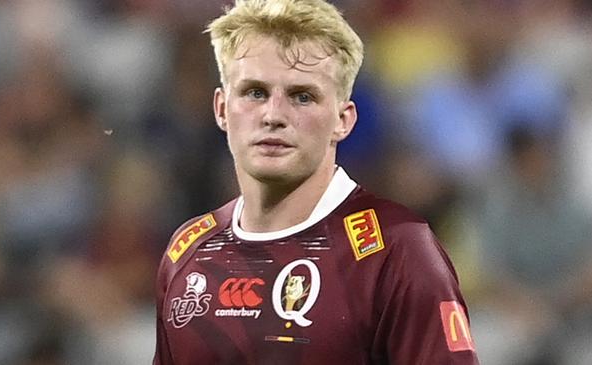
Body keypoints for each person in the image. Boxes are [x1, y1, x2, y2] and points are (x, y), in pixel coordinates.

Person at [153, 0, 479, 364]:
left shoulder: (395, 249)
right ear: (221, 109)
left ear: (343, 119)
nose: (273, 115)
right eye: (255, 92)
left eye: (302, 96)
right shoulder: (189, 253)